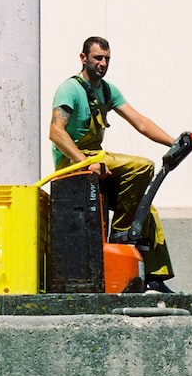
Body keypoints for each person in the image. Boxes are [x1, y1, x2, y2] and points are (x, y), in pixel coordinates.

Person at [49, 36, 177, 294]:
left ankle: (153, 277)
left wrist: (174, 144)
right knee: (142, 166)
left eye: (107, 58)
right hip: (73, 161)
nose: (103, 63)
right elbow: (56, 132)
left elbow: (140, 122)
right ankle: (120, 237)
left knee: (146, 211)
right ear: (83, 58)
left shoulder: (107, 90)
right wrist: (84, 162)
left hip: (96, 159)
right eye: (98, 58)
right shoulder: (70, 89)